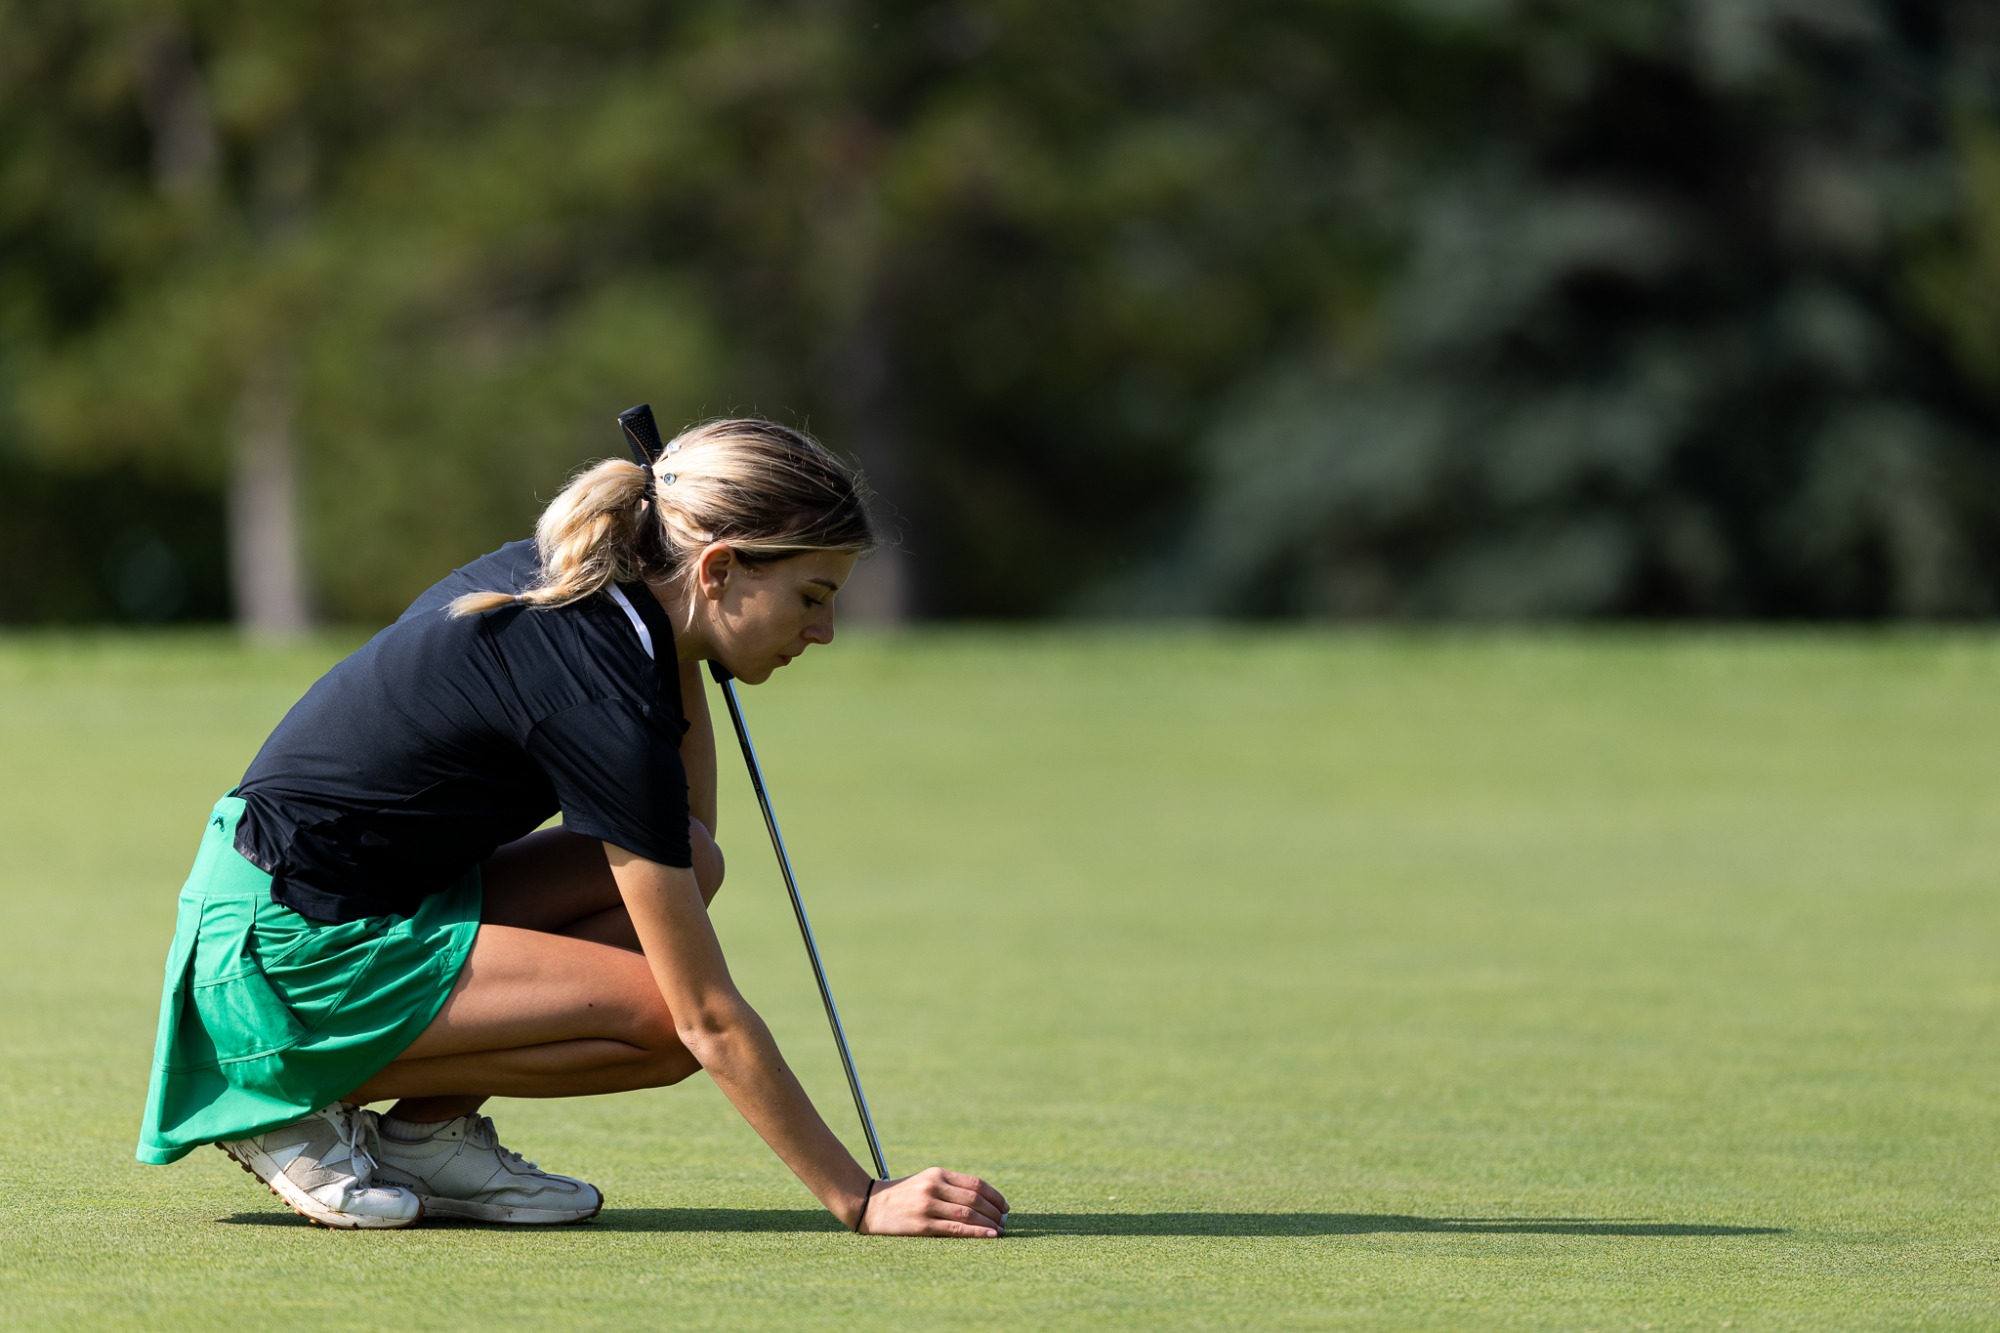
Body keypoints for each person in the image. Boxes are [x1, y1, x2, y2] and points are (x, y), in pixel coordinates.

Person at [136, 417, 1009, 1237]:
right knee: (664, 1022)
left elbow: (681, 839)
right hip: (281, 954)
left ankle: (425, 1137)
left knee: (693, 864)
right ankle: (276, 1092)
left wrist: (693, 648)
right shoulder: (596, 686)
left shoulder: (593, 588)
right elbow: (706, 1017)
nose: (823, 630)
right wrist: (859, 1197)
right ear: (718, 569)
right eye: (811, 596)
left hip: (332, 903)